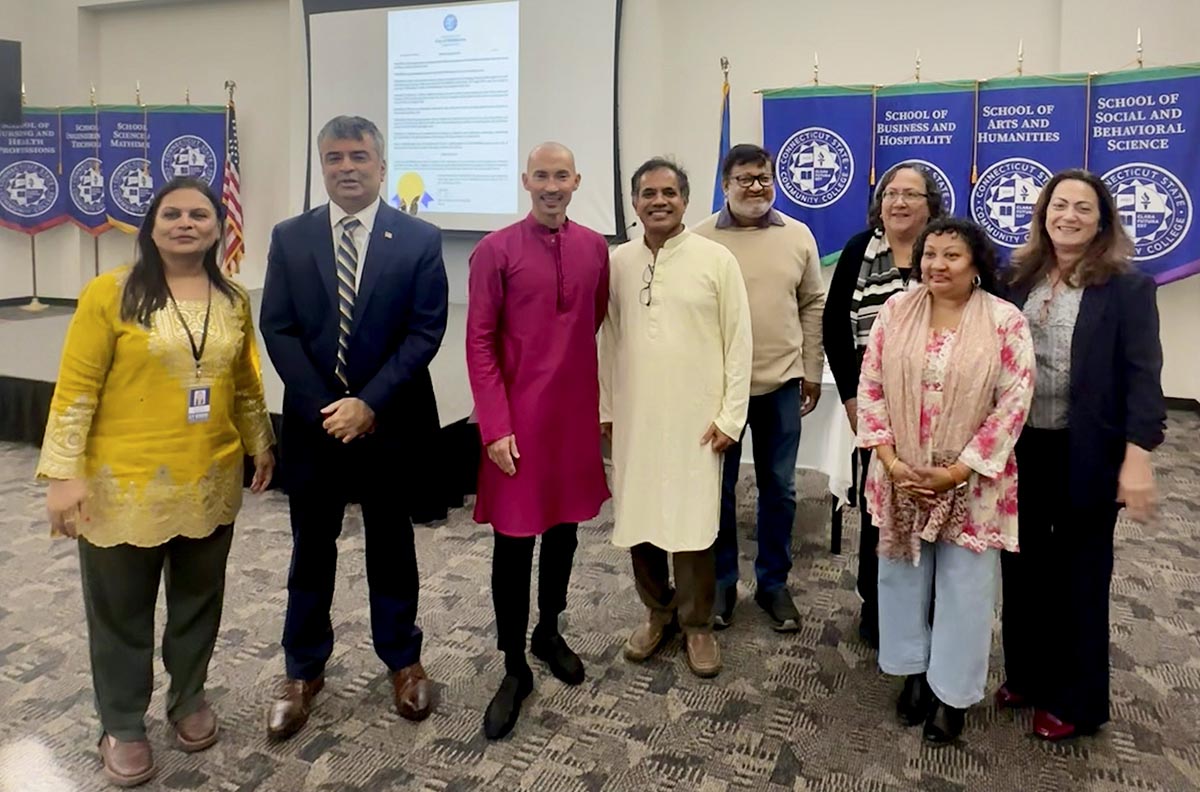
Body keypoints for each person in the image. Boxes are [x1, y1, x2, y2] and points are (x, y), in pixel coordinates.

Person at [38, 177, 275, 787]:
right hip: (122, 486)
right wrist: (64, 475)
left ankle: (188, 698)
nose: (186, 223)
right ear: (150, 224)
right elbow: (76, 390)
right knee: (122, 613)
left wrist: (260, 443)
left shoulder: (232, 300)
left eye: (200, 214)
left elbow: (244, 383)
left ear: (219, 227)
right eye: (172, 214)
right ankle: (121, 723)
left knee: (199, 603)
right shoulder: (109, 294)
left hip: (209, 478)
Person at [260, 115, 449, 740]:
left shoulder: (419, 238)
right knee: (310, 549)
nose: (347, 166)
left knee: (392, 546)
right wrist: (329, 407)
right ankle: (303, 669)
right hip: (315, 426)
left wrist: (368, 402)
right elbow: (278, 327)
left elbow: (425, 331)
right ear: (322, 165)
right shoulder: (290, 237)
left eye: (359, 156)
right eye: (335, 157)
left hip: (389, 422)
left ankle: (403, 659)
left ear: (381, 163)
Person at [997, 169, 1165, 741]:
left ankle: (1076, 699)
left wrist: (1138, 456)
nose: (1069, 215)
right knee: (1021, 567)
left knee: (1080, 575)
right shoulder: (1015, 278)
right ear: (1043, 212)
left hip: (1088, 449)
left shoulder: (1128, 287)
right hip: (1022, 447)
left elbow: (1144, 377)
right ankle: (1026, 673)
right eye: (1059, 205)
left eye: (1083, 208)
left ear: (1102, 221)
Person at [856, 217, 1034, 745]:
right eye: (930, 254)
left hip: (974, 481)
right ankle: (914, 671)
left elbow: (1013, 404)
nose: (937, 264)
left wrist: (957, 471)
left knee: (965, 587)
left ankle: (951, 695)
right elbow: (871, 387)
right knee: (902, 576)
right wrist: (890, 461)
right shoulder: (895, 310)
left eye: (951, 255)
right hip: (901, 474)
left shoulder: (1005, 321)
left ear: (976, 261)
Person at [466, 142, 610, 740]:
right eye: (541, 176)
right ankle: (512, 664)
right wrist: (495, 426)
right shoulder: (493, 250)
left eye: (562, 176)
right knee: (514, 543)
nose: (551, 185)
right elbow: (478, 341)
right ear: (526, 180)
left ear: (577, 180)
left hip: (572, 419)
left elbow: (593, 317)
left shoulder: (596, 247)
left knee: (565, 531)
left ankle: (548, 629)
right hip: (516, 424)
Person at [600, 158, 752, 679]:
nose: (658, 201)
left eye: (669, 192)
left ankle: (697, 624)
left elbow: (739, 342)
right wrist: (607, 407)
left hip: (697, 418)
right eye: (648, 193)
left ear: (685, 200)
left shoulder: (716, 259)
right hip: (636, 414)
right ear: (635, 201)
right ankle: (656, 611)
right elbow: (609, 338)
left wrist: (732, 415)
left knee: (693, 523)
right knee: (639, 517)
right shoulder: (617, 262)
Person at [692, 143, 825, 632]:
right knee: (718, 489)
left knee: (780, 490)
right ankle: (723, 583)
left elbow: (812, 303)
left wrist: (812, 368)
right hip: (718, 391)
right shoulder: (700, 238)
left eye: (764, 177)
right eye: (745, 178)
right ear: (725, 186)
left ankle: (773, 584)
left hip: (782, 383)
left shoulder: (798, 235)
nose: (756, 187)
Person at [823, 163, 945, 648]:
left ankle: (928, 609)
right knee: (879, 510)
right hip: (874, 407)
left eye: (910, 195)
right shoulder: (860, 249)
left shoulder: (945, 251)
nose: (898, 203)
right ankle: (876, 605)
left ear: (931, 204)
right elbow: (835, 324)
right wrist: (854, 399)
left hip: (936, 412)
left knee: (929, 507)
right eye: (891, 193)